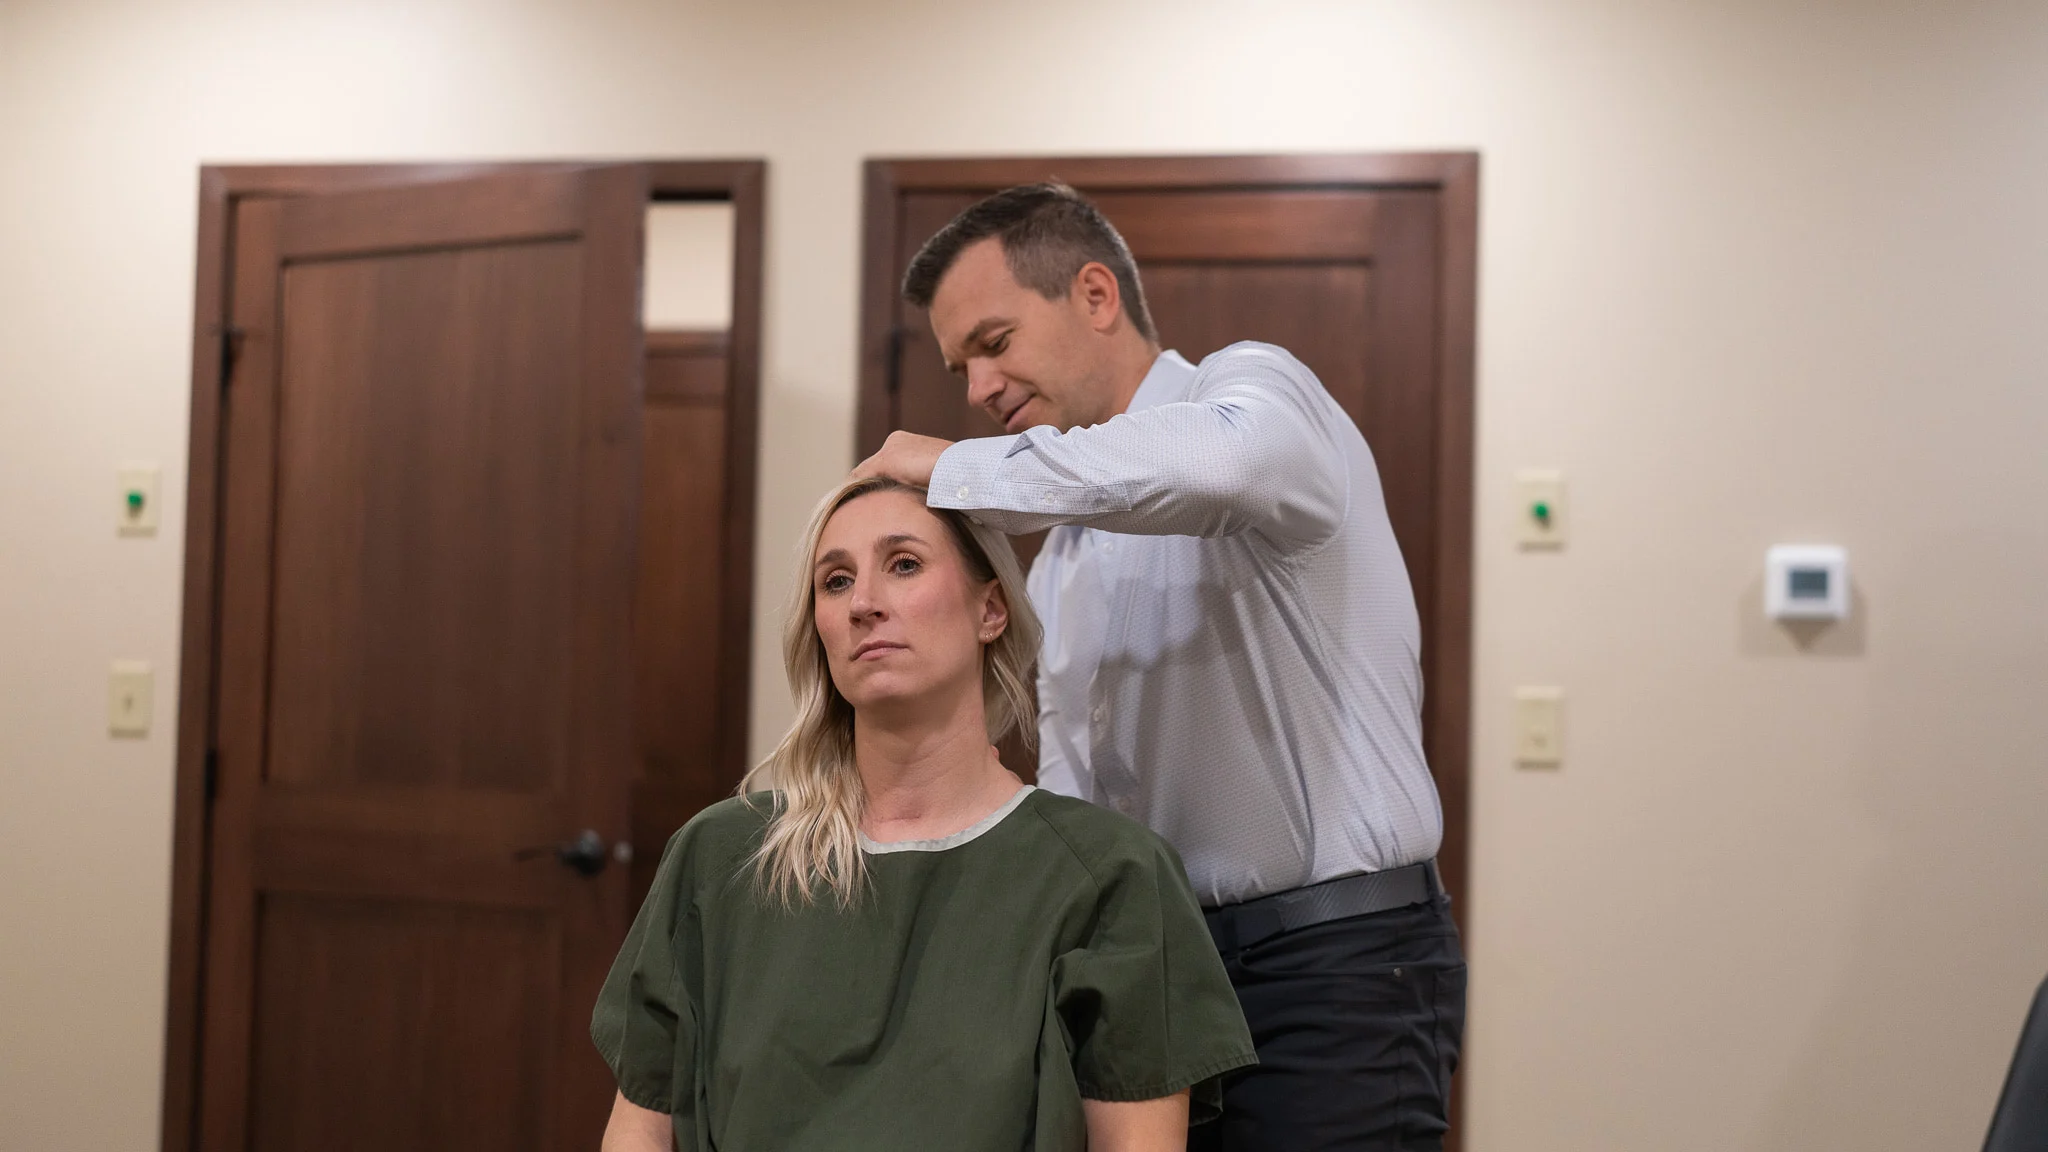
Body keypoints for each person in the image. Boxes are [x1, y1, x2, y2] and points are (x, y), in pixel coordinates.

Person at [853, 183, 1466, 1150]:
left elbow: (1222, 469)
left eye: (995, 341)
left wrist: (957, 471)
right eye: (960, 363)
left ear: (1096, 296)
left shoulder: (1260, 394)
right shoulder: (1060, 568)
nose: (976, 388)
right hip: (1163, 981)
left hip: (1333, 970)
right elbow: (1077, 811)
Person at [591, 475, 1257, 1152]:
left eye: (903, 564)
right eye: (836, 581)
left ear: (991, 609)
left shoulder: (1111, 876)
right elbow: (639, 1130)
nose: (865, 604)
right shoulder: (721, 859)